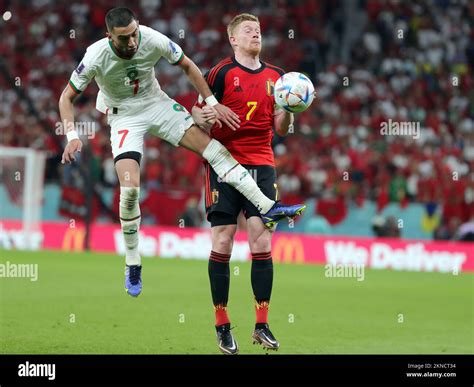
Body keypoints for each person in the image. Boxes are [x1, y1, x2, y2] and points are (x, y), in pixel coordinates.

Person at [58, 7, 306, 299]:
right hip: (124, 116)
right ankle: (133, 261)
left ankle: (266, 205)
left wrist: (212, 102)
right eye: (125, 38)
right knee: (130, 193)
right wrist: (72, 136)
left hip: (157, 104)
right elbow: (67, 97)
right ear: (109, 36)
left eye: (135, 33)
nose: (134, 42)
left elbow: (188, 65)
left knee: (214, 150)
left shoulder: (151, 38)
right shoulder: (95, 55)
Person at [192, 13, 308, 354]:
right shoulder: (220, 73)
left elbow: (282, 129)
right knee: (224, 241)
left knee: (261, 240)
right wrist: (208, 115)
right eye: (247, 30)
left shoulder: (278, 77)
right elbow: (195, 116)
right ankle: (222, 325)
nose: (255, 34)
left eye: (257, 30)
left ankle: (262, 324)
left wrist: (290, 108)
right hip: (223, 163)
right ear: (233, 39)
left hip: (262, 164)